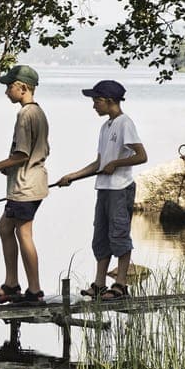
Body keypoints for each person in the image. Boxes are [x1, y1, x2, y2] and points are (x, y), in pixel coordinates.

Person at [57, 80, 147, 301]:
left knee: (119, 234)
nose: (94, 105)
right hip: (104, 189)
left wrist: (116, 163)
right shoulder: (105, 126)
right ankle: (99, 284)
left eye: (96, 101)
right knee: (100, 236)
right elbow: (98, 163)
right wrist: (72, 176)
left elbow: (141, 155)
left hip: (120, 189)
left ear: (109, 101)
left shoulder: (125, 123)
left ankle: (121, 285)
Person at [0, 65, 50, 306]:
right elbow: (33, 152)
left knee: (23, 233)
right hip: (27, 183)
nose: (6, 91)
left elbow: (23, 154)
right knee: (5, 228)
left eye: (9, 86)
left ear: (23, 88)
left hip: (25, 187)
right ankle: (12, 284)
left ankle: (34, 290)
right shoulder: (38, 113)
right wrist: (7, 166)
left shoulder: (26, 114)